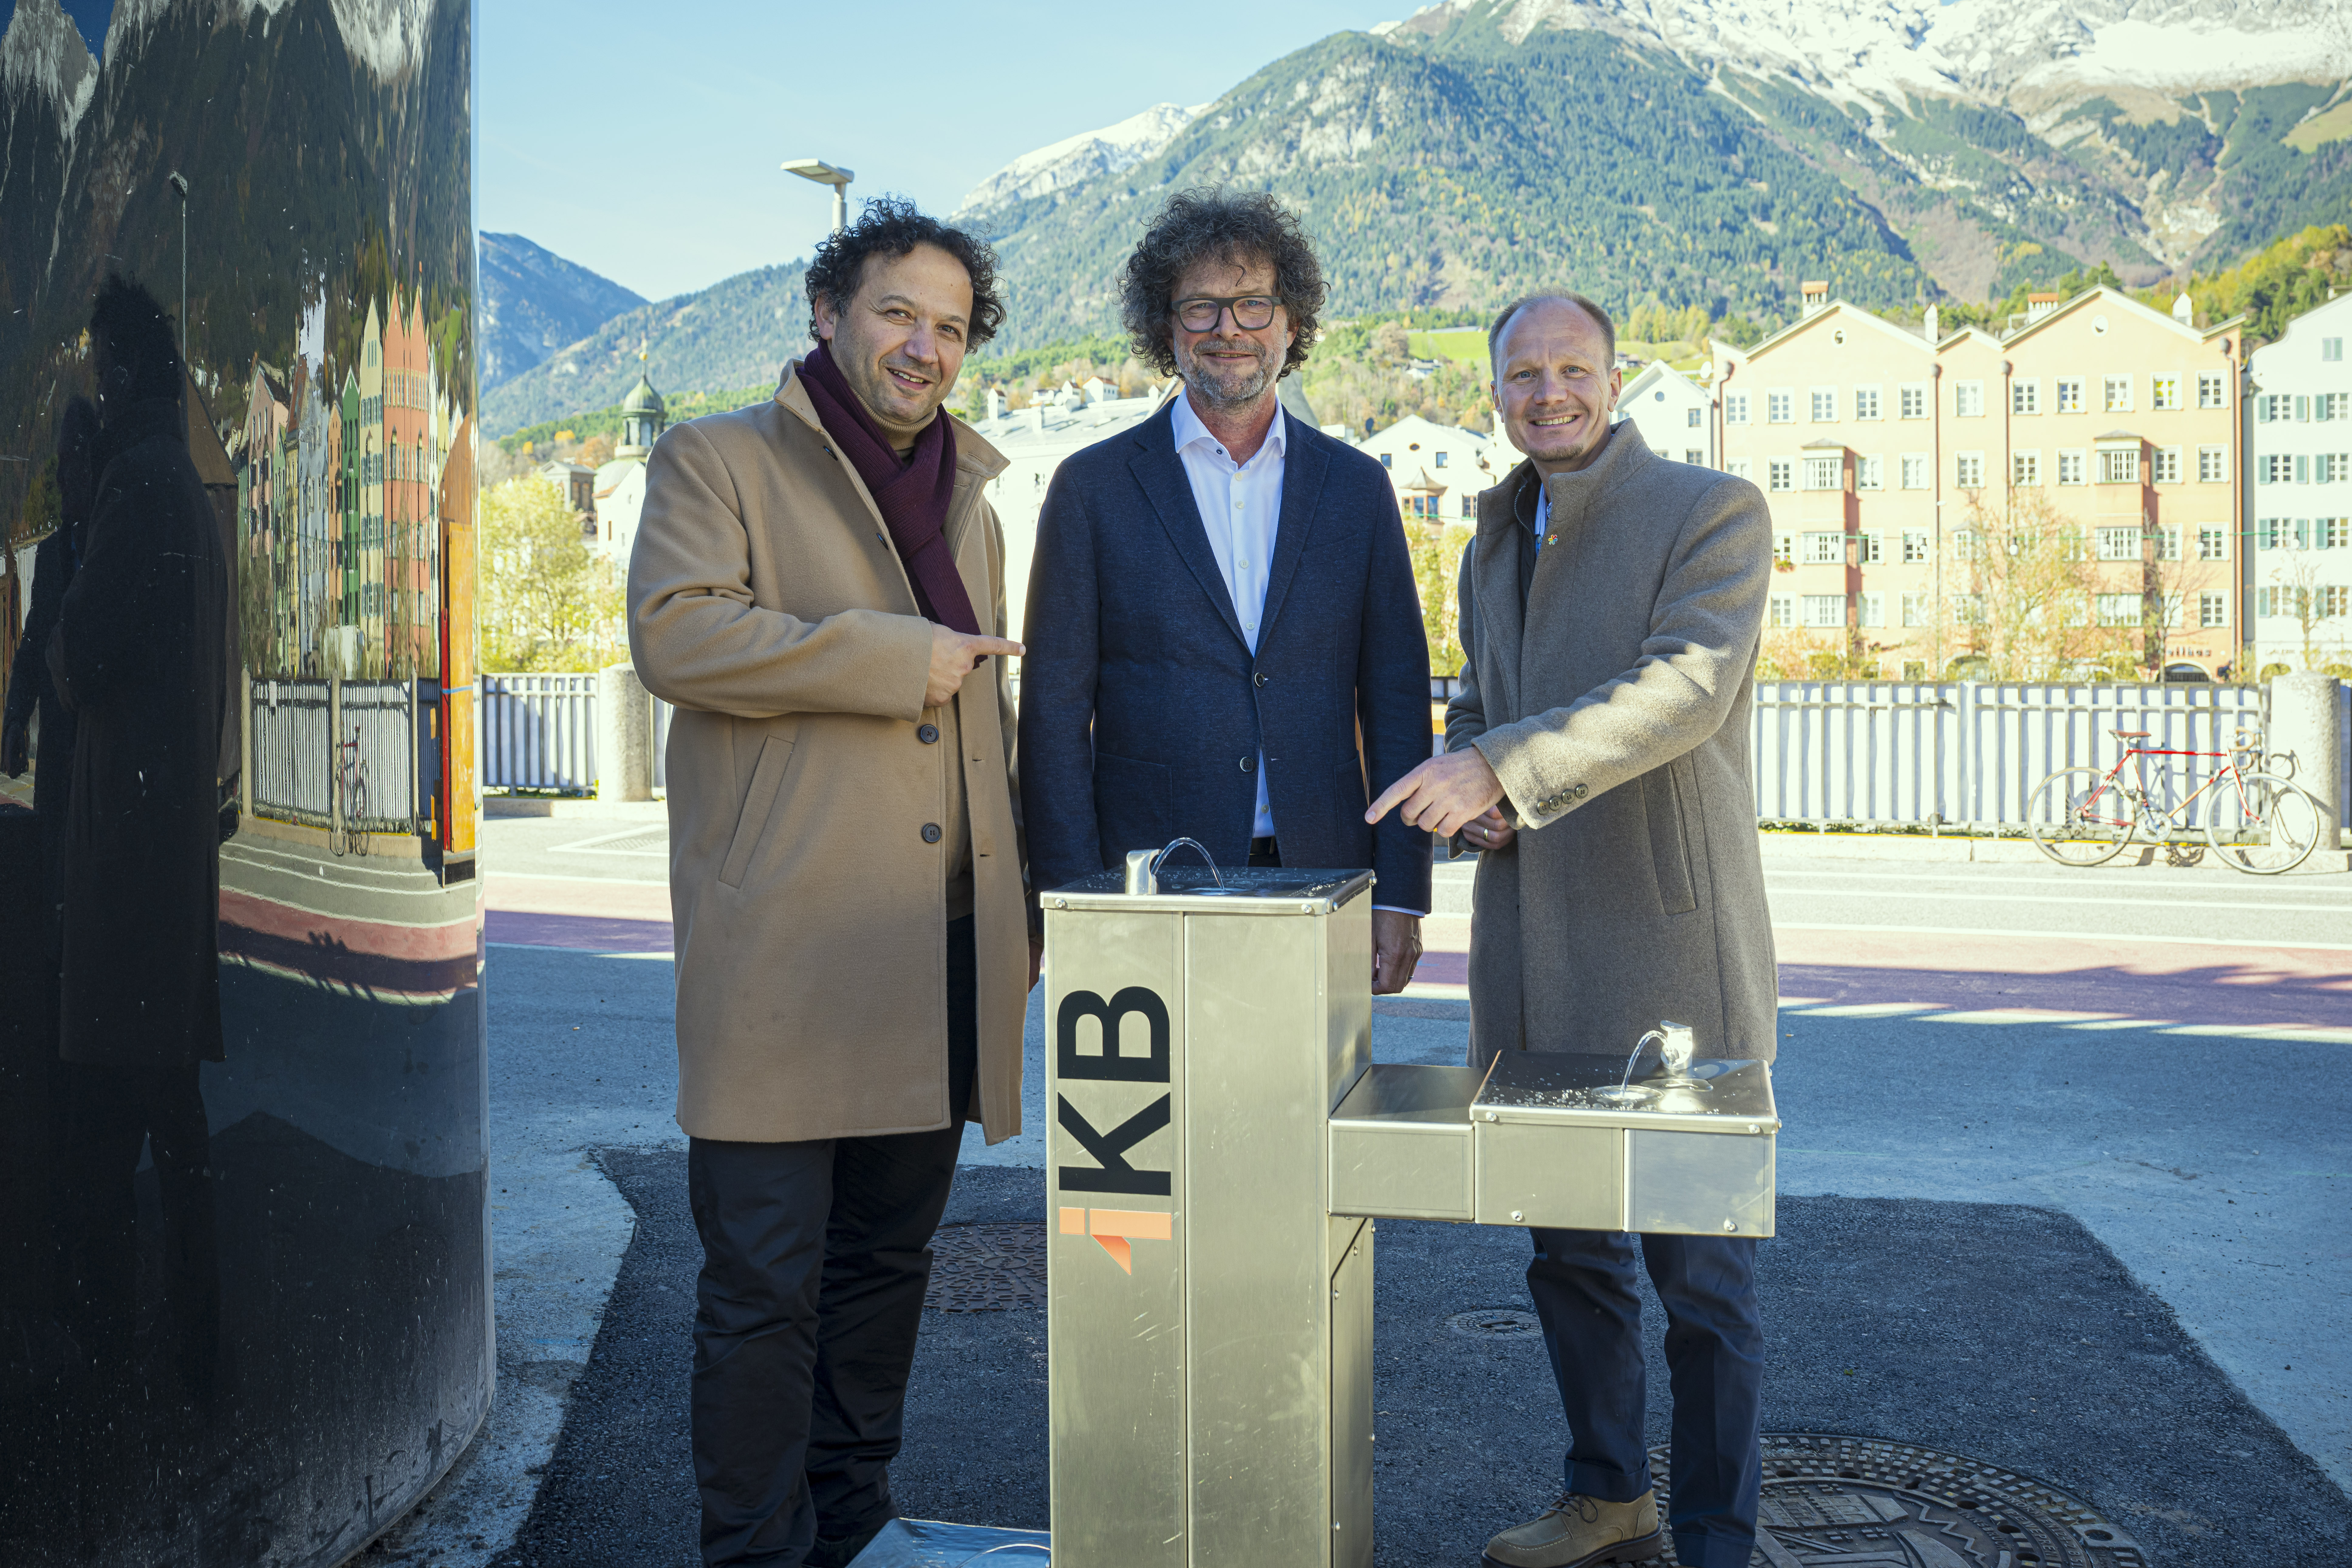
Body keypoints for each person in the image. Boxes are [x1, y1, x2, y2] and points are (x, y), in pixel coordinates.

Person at [627, 198, 1035, 1568]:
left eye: (949, 327)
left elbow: (988, 719)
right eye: (895, 313)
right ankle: (751, 1549)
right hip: (784, 960)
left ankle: (851, 1527)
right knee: (759, 1292)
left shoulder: (970, 500)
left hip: (934, 953)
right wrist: (883, 655)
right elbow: (677, 637)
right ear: (825, 311)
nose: (923, 347)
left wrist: (1016, 913)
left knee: (883, 1275)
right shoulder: (716, 458)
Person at [1367, 293, 1776, 1568]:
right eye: (1522, 373)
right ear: (1492, 388)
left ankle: (1715, 1534)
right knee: (1568, 1253)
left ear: (1611, 379)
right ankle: (1608, 1499)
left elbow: (1685, 689)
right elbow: (1484, 703)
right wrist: (1471, 786)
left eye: (1570, 369)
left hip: (1667, 951)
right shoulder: (1491, 535)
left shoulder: (1711, 509)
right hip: (1530, 944)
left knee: (1700, 1278)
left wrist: (1498, 766)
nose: (1547, 392)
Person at [1020, 189, 1431, 982]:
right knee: (1159, 1109)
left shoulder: (1357, 489)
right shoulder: (1091, 488)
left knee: (1303, 1104)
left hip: (1326, 873)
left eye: (1252, 305)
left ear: (1291, 324)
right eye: (1200, 308)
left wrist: (1402, 892)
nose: (1228, 330)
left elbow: (1395, 703)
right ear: (1164, 328)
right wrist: (1068, 896)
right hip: (1145, 883)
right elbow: (1053, 715)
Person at [45, 278, 230, 1399]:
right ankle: (182, 1338)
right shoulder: (181, 488)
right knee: (160, 1109)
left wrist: (74, 514)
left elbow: (78, 658)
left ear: (118, 374)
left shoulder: (139, 490)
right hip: (162, 850)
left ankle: (126, 1348)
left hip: (127, 860)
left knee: (125, 1114)